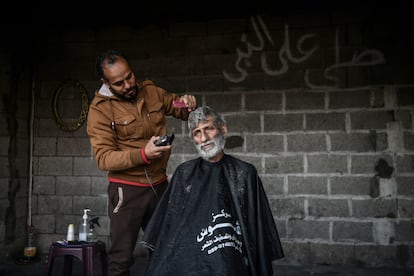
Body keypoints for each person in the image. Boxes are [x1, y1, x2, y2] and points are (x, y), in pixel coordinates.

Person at [86, 49, 197, 276]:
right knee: (120, 258)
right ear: (105, 82)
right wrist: (143, 154)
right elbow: (103, 157)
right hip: (126, 191)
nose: (128, 85)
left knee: (166, 250)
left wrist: (186, 103)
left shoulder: (150, 91)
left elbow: (175, 106)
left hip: (159, 186)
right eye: (119, 83)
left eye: (130, 76)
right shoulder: (100, 110)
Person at [141, 106, 284, 276]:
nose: (204, 138)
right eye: (197, 133)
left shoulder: (244, 173)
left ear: (222, 129)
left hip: (231, 254)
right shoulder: (184, 173)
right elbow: (171, 229)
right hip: (192, 258)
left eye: (208, 129)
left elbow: (257, 229)